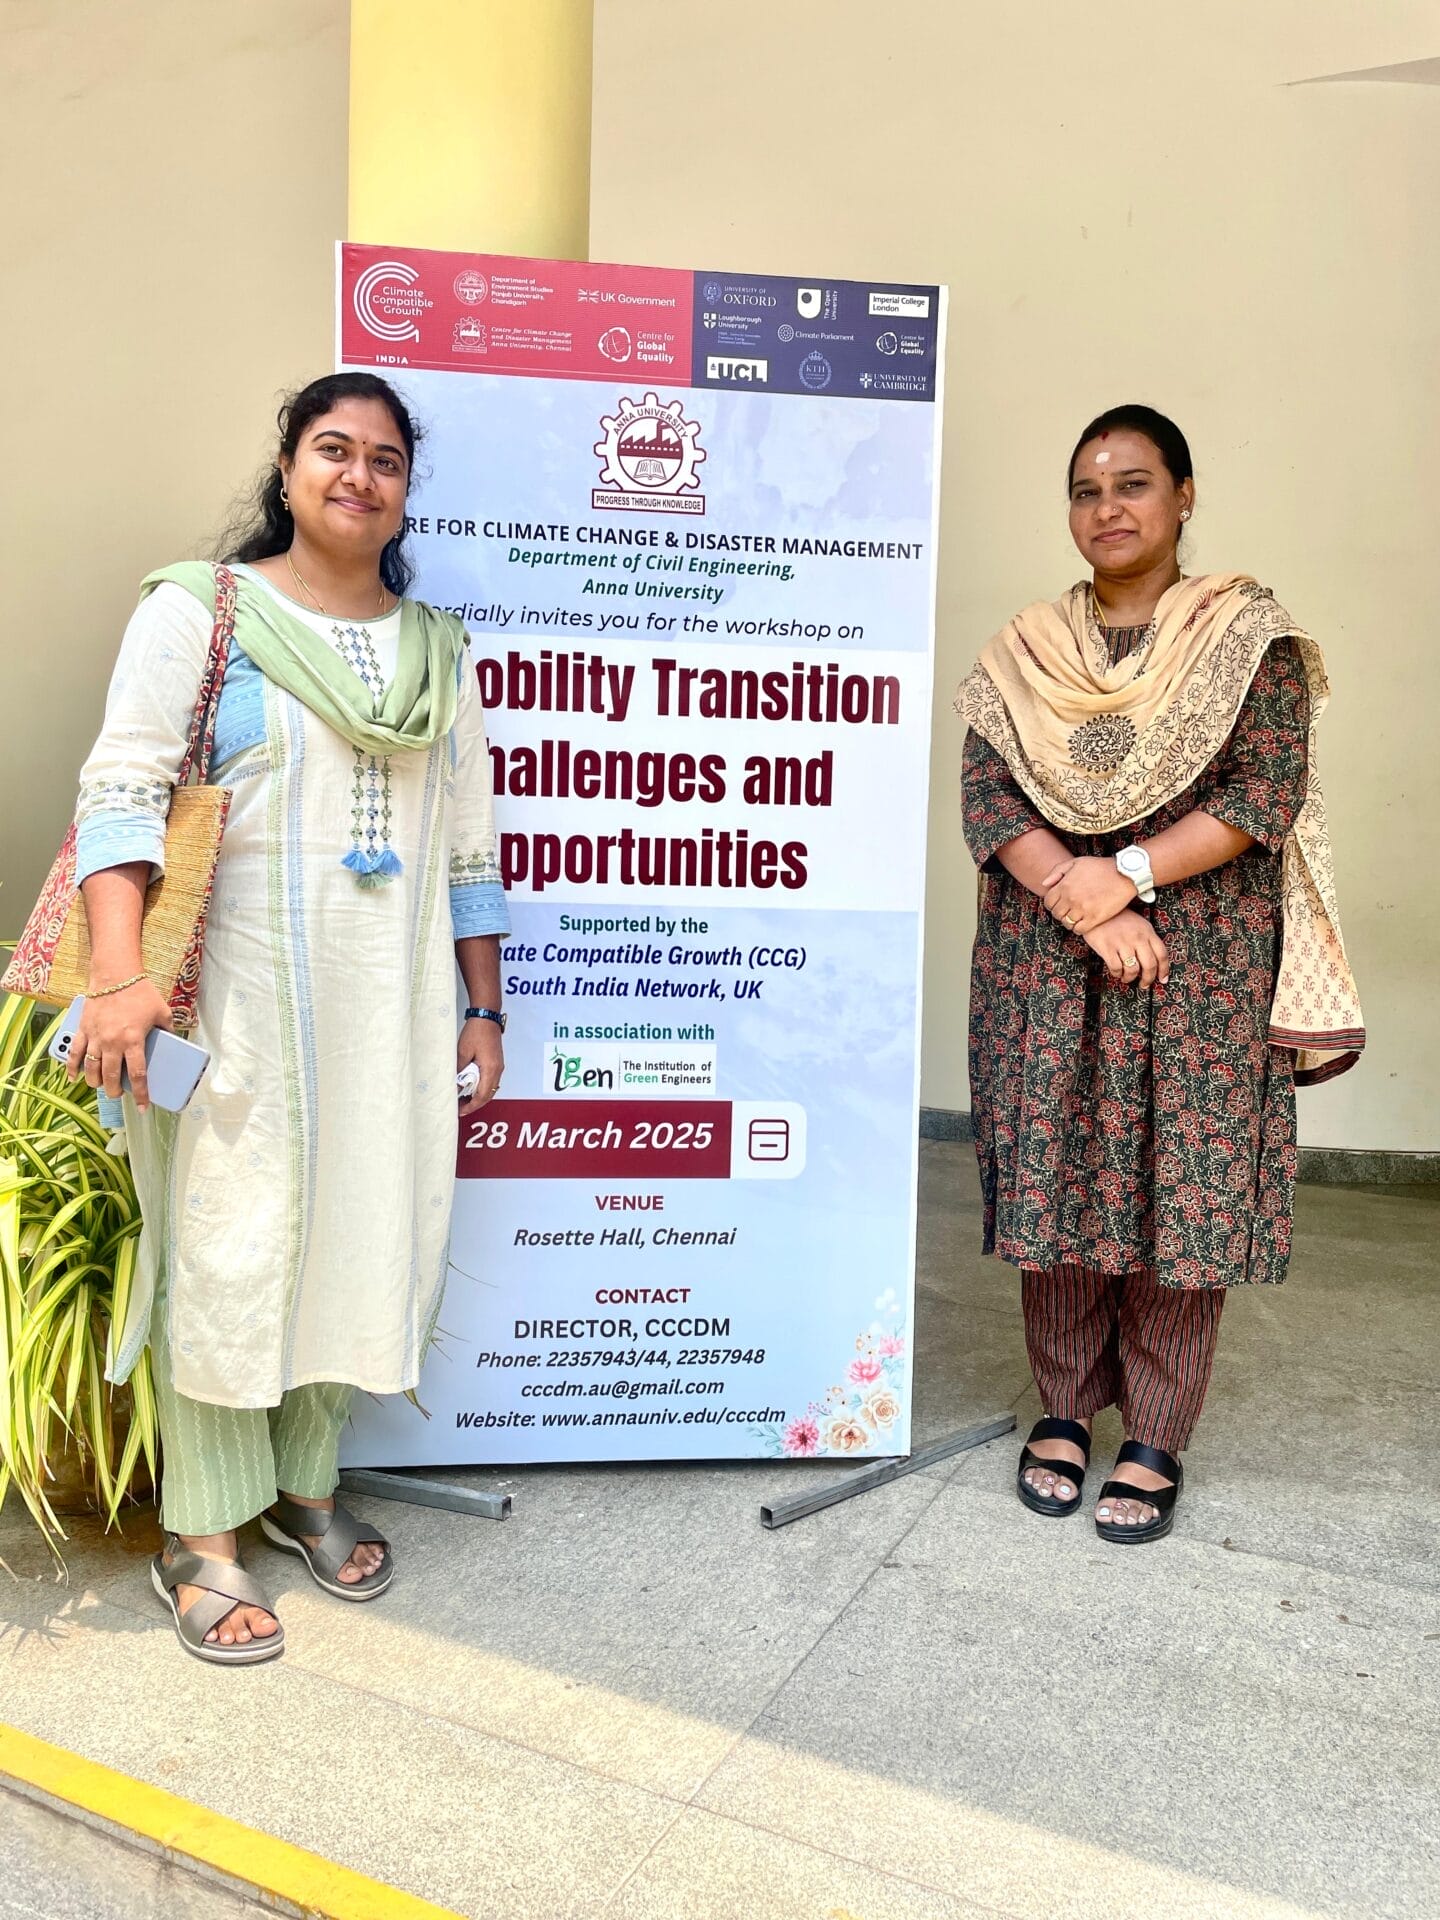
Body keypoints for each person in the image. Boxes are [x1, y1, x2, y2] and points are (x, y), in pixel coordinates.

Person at [67, 373, 509, 1660]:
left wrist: (484, 1007)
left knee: (361, 1232)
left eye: (386, 458)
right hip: (235, 1004)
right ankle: (201, 1536)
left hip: (394, 1013)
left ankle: (305, 1488)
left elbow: (469, 849)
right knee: (229, 1247)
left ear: (405, 489)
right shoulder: (201, 612)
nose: (359, 475)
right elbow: (121, 793)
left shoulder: (437, 653)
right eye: (334, 448)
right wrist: (118, 978)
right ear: (288, 466)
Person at [955, 404, 1362, 1544]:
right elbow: (988, 795)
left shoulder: (1247, 637)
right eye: (1086, 490)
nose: (1108, 509)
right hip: (1051, 959)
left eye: (1133, 484)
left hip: (1202, 961)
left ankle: (1156, 1433)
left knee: (1183, 1179)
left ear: (1184, 496)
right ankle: (1063, 1409)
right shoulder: (1024, 652)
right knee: (1059, 1168)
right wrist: (1079, 898)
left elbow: (1264, 787)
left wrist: (1125, 873)